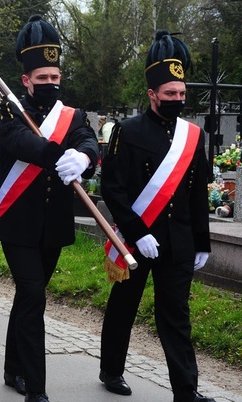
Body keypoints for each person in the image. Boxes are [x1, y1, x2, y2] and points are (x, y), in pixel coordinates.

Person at [98, 31, 215, 402]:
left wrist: (202, 241)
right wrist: (137, 231)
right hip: (136, 238)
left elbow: (197, 192)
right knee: (123, 307)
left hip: (178, 240)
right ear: (152, 95)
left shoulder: (191, 136)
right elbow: (113, 190)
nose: (177, 101)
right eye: (170, 95)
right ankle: (111, 370)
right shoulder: (127, 132)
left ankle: (186, 390)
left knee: (176, 316)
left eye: (181, 95)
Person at [0, 15, 98, 402]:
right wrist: (58, 152)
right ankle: (35, 387)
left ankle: (12, 366)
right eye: (42, 79)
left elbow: (88, 139)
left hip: (52, 225)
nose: (50, 85)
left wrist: (84, 157)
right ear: (26, 80)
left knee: (28, 295)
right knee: (34, 294)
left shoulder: (72, 116)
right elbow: (20, 143)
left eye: (55, 78)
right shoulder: (8, 109)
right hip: (17, 222)